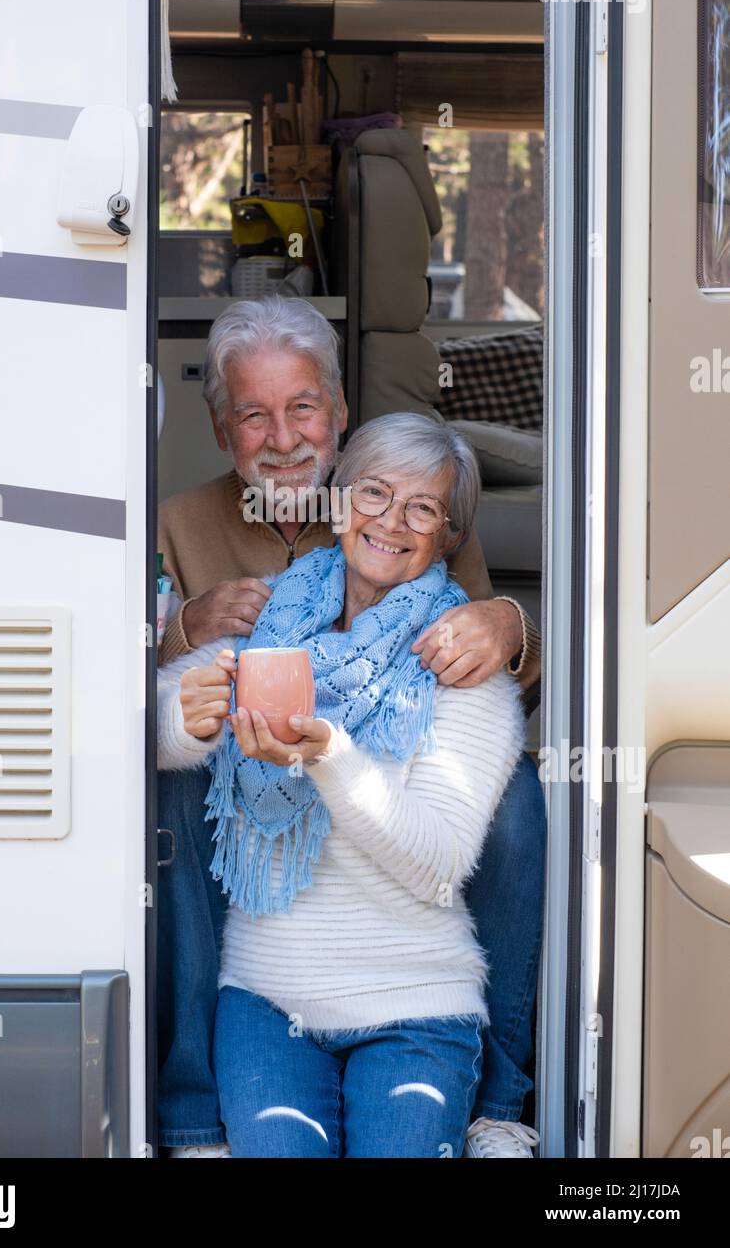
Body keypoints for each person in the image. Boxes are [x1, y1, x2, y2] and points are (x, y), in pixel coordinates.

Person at [157, 296, 546, 1158]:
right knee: (174, 797)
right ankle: (193, 1112)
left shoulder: (406, 511)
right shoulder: (179, 524)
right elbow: (126, 682)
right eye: (252, 415)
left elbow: (486, 674)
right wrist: (183, 629)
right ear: (222, 431)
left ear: (337, 415)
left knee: (519, 796)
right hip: (251, 811)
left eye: (302, 409)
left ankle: (498, 1102)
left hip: (387, 816)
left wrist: (515, 625)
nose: (282, 437)